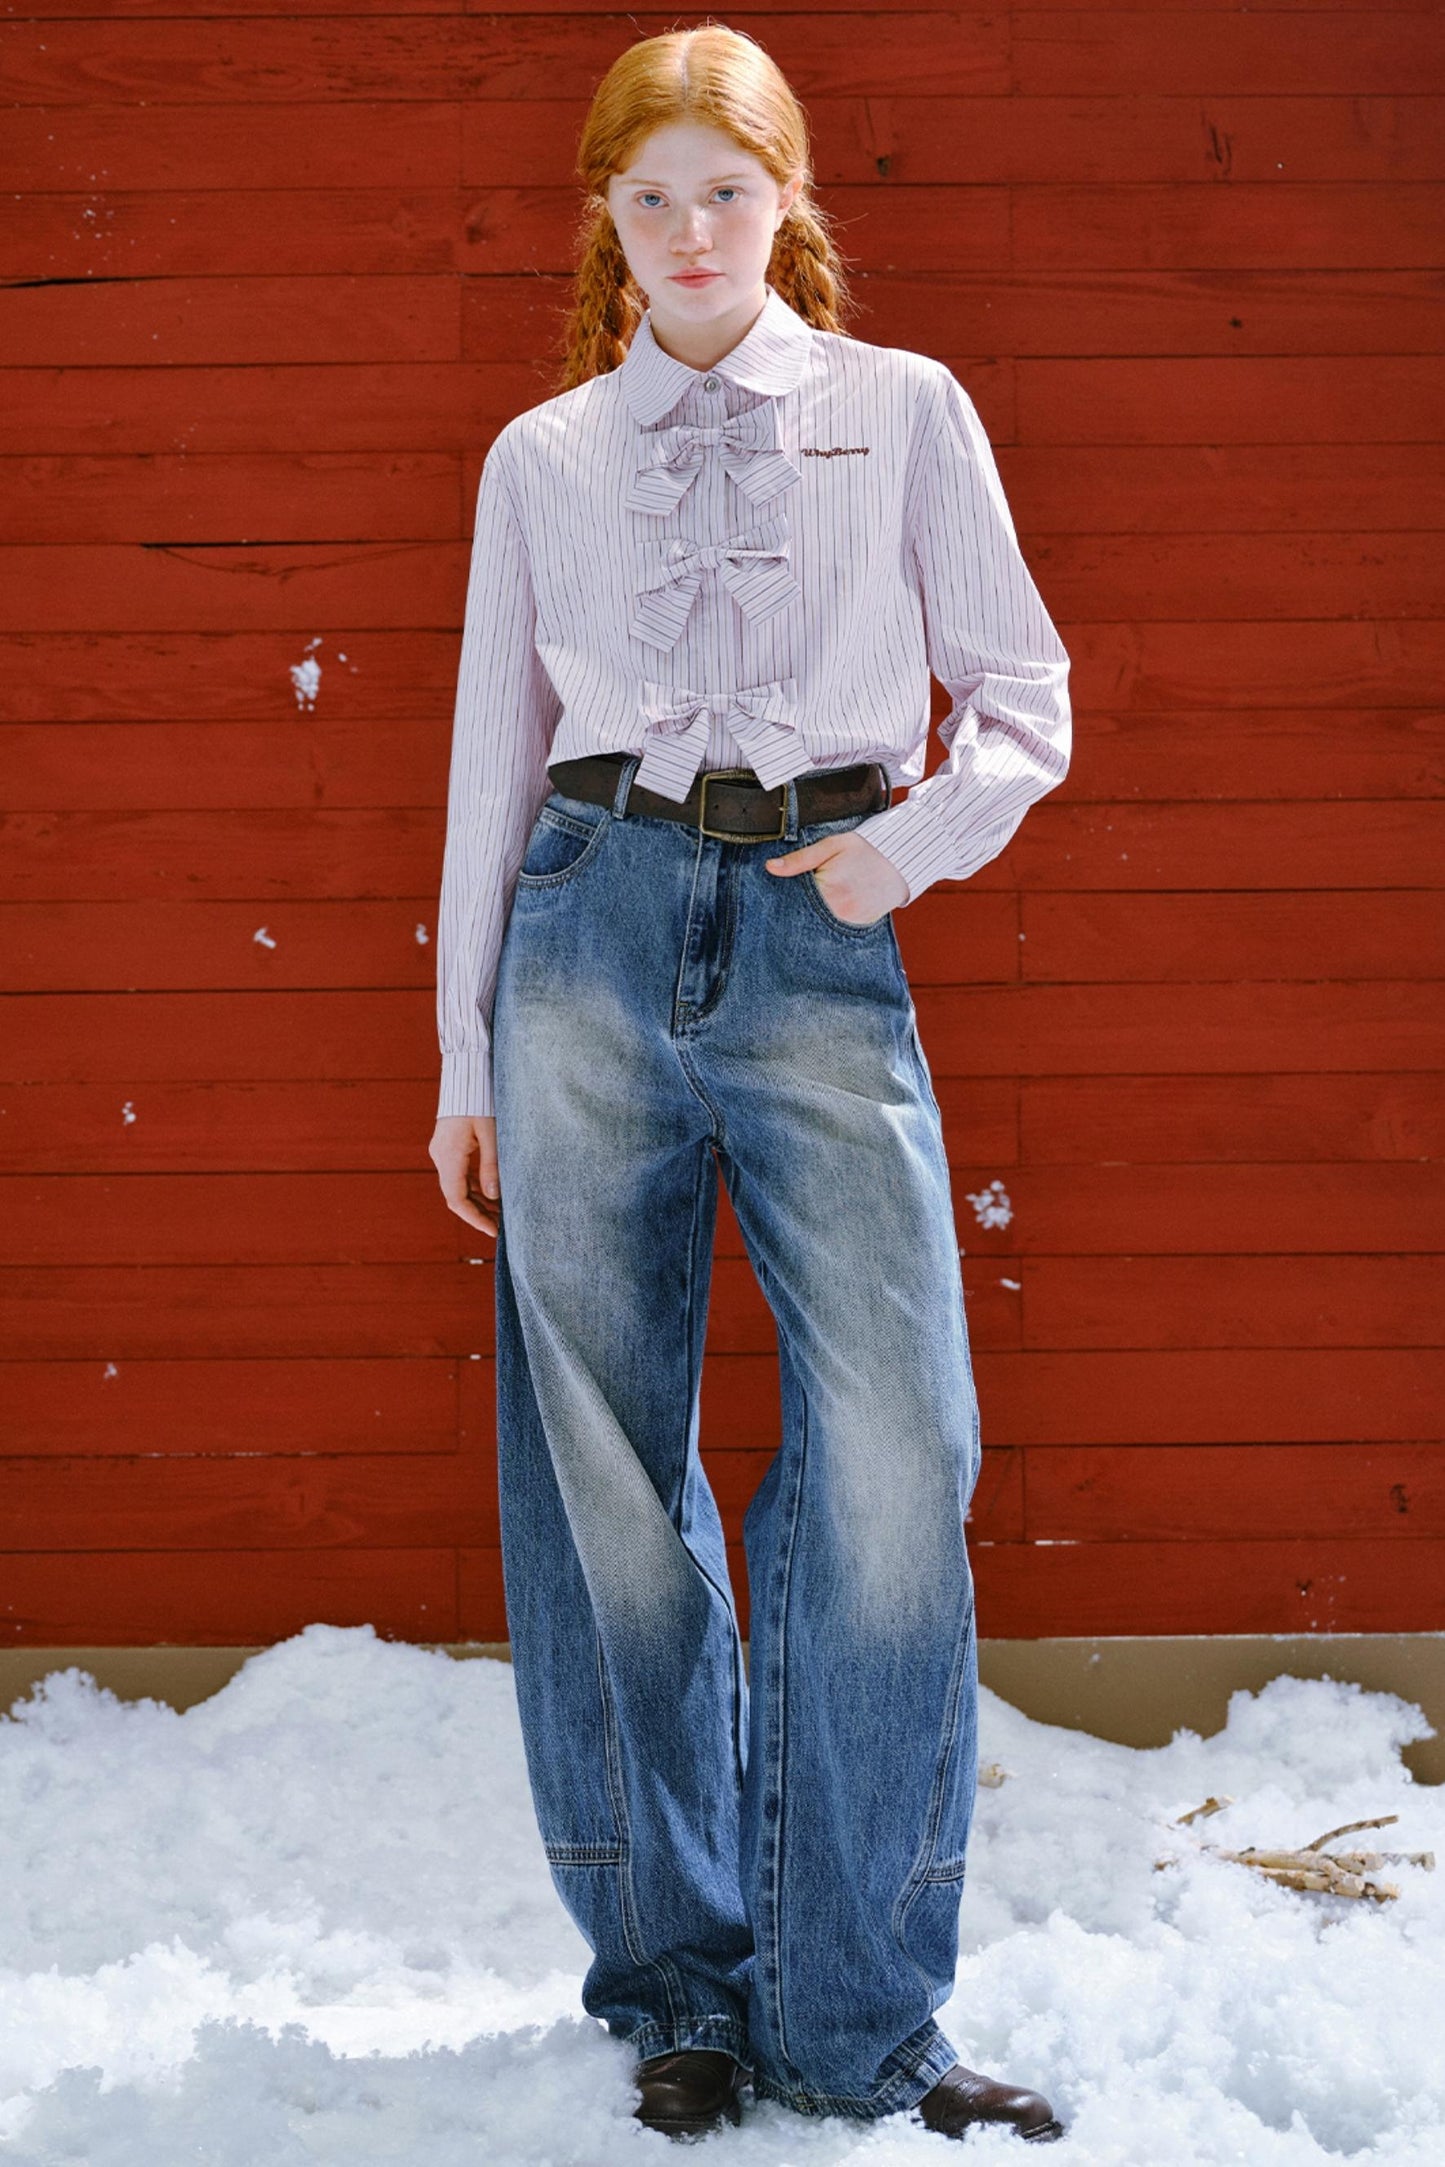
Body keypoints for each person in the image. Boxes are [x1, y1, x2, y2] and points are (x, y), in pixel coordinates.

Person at [429, 23, 1071, 2146]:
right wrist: (467, 1052)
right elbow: (491, 772)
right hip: (588, 931)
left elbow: (1027, 700)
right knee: (606, 1473)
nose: (692, 230)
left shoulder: (905, 416)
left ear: (789, 200)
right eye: (650, 195)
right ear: (603, 225)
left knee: (898, 1449)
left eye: (728, 186)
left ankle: (861, 2005)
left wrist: (902, 848)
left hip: (819, 927)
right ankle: (678, 1984)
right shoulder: (542, 458)